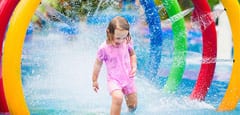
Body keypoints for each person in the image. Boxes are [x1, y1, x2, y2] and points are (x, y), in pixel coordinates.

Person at [91, 16, 137, 115]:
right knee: (118, 97)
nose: (121, 40)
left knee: (133, 106)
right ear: (109, 33)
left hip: (128, 78)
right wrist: (94, 80)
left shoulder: (127, 41)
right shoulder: (104, 48)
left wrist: (134, 66)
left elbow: (132, 54)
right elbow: (98, 64)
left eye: (124, 37)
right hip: (114, 80)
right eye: (118, 38)